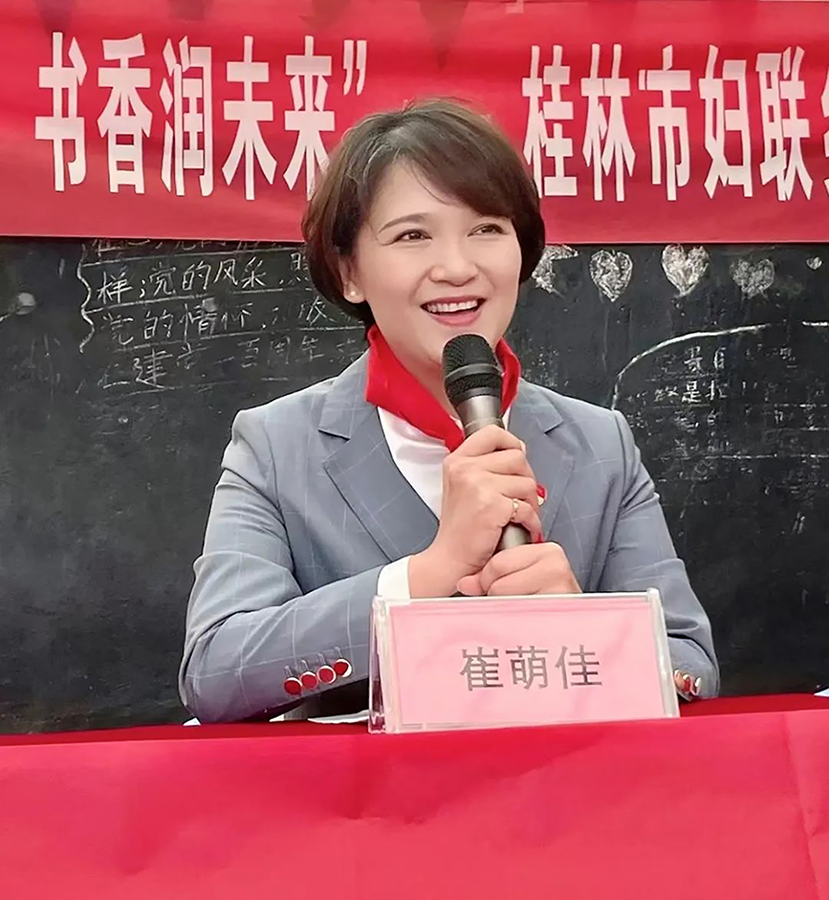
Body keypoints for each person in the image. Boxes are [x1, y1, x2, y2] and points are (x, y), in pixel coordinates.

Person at [179, 99, 719, 722]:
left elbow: (692, 667)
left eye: (486, 229)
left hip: (566, 783)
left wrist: (588, 629)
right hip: (372, 788)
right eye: (412, 236)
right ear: (350, 271)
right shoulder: (278, 446)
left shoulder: (600, 443)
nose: (458, 268)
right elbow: (216, 672)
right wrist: (424, 576)